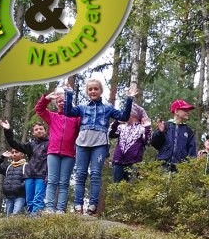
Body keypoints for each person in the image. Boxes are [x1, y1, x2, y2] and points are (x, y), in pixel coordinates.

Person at [64, 80, 136, 215]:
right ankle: (78, 206)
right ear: (87, 92)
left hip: (100, 144)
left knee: (95, 174)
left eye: (96, 89)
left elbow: (124, 117)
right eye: (90, 89)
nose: (93, 91)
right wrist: (68, 94)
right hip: (82, 144)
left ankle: (92, 206)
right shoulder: (82, 108)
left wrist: (129, 98)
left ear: (101, 91)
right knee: (80, 174)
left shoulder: (108, 108)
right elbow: (68, 112)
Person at [35, 88, 80, 213]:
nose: (61, 103)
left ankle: (60, 210)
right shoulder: (52, 117)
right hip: (53, 153)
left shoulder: (76, 118)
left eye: (64, 101)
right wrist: (46, 99)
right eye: (59, 101)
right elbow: (39, 109)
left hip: (69, 154)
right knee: (52, 181)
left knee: (64, 183)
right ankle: (49, 208)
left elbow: (84, 125)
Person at [0, 120, 49, 215]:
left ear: (45, 131)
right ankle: (31, 219)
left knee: (38, 198)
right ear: (33, 133)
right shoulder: (30, 145)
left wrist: (48, 175)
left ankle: (35, 219)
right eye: (36, 129)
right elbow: (14, 144)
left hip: (42, 175)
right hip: (29, 176)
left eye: (41, 129)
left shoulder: (49, 143)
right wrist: (8, 130)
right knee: (29, 200)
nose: (39, 131)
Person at [109, 103, 151, 183]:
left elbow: (148, 141)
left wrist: (147, 126)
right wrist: (118, 121)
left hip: (133, 162)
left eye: (127, 113)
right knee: (117, 189)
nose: (125, 115)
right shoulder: (122, 127)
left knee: (131, 189)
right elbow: (111, 134)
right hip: (118, 161)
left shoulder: (142, 128)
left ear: (134, 115)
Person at [151, 99, 197, 172]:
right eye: (185, 110)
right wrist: (160, 132)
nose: (188, 112)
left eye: (188, 110)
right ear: (176, 111)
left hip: (180, 168)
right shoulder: (165, 126)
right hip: (162, 165)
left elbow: (192, 151)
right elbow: (154, 143)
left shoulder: (188, 131)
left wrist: (191, 166)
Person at [0, 149, 27, 217]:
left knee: (15, 216)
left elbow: (28, 180)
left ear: (22, 154)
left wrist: (20, 188)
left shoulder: (26, 166)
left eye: (17, 152)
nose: (14, 154)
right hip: (9, 197)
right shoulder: (8, 167)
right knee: (8, 219)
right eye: (12, 152)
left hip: (20, 197)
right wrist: (2, 156)